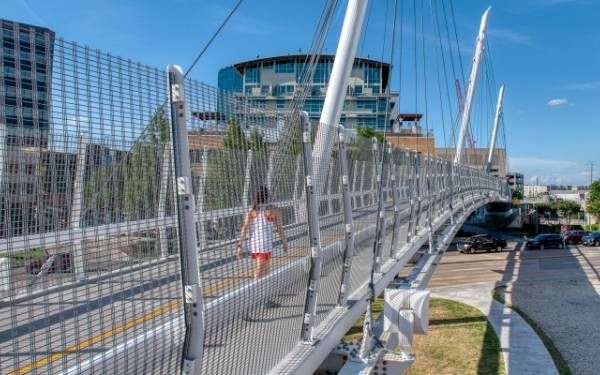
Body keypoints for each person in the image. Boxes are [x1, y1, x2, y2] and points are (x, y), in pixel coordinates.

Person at [237, 186, 288, 279]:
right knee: (263, 270)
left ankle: (264, 290)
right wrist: (284, 242)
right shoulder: (273, 209)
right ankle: (259, 289)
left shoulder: (252, 210)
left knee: (263, 268)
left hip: (255, 244)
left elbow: (245, 228)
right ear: (267, 196)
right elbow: (280, 228)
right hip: (265, 244)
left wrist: (240, 245)